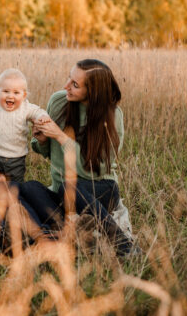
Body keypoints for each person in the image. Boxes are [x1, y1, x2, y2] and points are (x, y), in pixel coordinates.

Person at [19, 59, 137, 256]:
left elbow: (96, 169)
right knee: (28, 187)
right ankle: (61, 236)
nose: (66, 86)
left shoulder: (112, 115)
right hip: (63, 193)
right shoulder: (58, 101)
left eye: (75, 84)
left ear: (93, 92)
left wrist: (60, 136)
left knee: (70, 186)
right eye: (69, 78)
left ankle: (122, 244)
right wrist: (42, 141)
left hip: (99, 189)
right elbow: (48, 153)